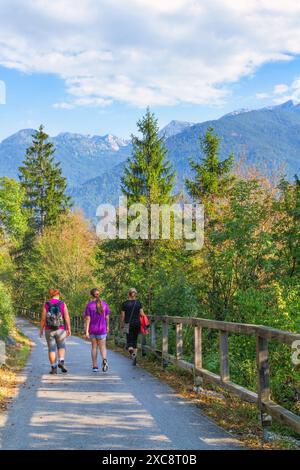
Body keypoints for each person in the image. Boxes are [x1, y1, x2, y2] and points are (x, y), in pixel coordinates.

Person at [40, 288, 71, 375]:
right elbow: (67, 317)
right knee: (61, 346)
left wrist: (41, 330)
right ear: (59, 295)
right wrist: (69, 328)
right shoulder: (62, 304)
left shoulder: (47, 304)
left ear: (51, 295)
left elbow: (43, 319)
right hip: (60, 329)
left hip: (49, 329)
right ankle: (61, 361)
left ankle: (53, 368)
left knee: (51, 349)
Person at [85, 288, 110, 373]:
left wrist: (86, 331)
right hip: (102, 329)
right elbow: (107, 317)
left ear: (91, 295)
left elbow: (88, 318)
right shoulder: (105, 304)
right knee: (103, 347)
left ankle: (95, 366)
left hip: (93, 329)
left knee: (94, 347)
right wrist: (107, 326)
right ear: (98, 294)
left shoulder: (89, 305)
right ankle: (104, 360)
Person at [120, 288, 144, 366]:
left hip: (128, 324)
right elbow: (142, 314)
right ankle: (135, 359)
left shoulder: (124, 304)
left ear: (128, 294)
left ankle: (131, 351)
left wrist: (122, 324)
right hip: (137, 323)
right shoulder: (138, 303)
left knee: (129, 341)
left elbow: (123, 315)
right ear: (135, 294)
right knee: (135, 341)